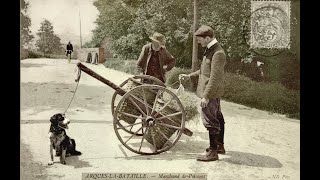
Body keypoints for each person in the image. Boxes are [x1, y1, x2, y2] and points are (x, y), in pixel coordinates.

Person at [179, 25, 226, 161]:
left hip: (210, 93)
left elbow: (214, 77)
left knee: (210, 120)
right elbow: (204, 71)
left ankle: (213, 153)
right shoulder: (210, 50)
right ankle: (219, 146)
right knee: (218, 117)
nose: (198, 42)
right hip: (211, 92)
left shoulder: (218, 53)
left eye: (200, 39)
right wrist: (190, 76)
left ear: (208, 38)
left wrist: (206, 96)